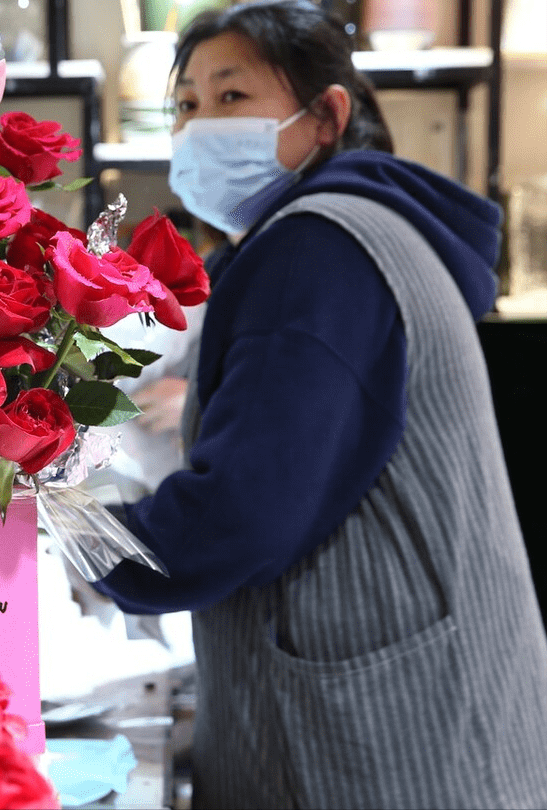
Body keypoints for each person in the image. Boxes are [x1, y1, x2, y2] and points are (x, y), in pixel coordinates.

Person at [89, 1, 547, 807]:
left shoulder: (316, 247)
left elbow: (243, 509)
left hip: (372, 734)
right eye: (186, 104)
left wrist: (80, 544)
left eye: (232, 98)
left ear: (326, 115)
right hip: (441, 703)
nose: (199, 126)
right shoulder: (362, 227)